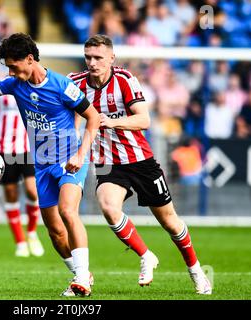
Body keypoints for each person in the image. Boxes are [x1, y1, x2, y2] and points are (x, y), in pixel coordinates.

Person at [0, 33, 100, 297]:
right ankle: (81, 275)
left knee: (68, 212)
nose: (10, 71)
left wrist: (81, 154)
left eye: (13, 66)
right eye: (8, 67)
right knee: (55, 232)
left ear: (30, 59)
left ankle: (81, 277)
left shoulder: (62, 86)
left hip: (70, 160)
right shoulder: (15, 84)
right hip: (42, 164)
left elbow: (93, 118)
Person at [68, 34, 212, 295]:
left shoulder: (124, 80)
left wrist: (111, 122)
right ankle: (146, 255)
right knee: (109, 208)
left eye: (98, 57)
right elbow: (71, 116)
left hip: (140, 161)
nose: (92, 63)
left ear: (111, 58)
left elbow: (144, 120)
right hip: (109, 164)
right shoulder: (75, 83)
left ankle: (196, 270)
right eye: (88, 57)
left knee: (169, 222)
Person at [0, 89, 45, 258]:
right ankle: (20, 242)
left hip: (28, 148)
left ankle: (31, 233)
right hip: (4, 149)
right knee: (10, 193)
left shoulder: (32, 87)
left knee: (32, 190)